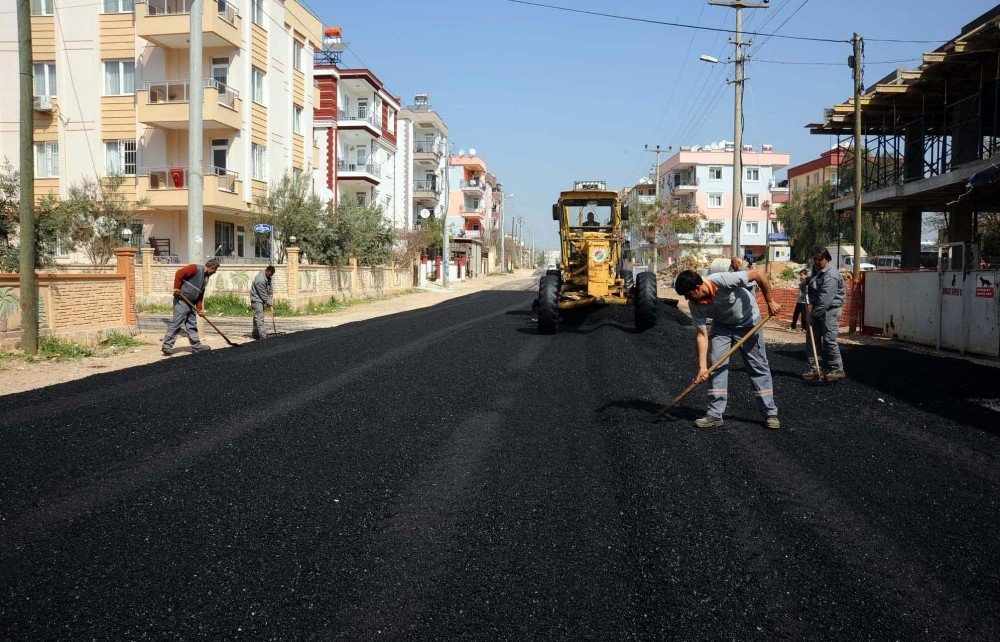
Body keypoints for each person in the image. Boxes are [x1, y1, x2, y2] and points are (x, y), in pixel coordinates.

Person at [674, 266, 782, 430]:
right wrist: (702, 368)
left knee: (758, 366)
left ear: (697, 288)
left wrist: (771, 302)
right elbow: (702, 334)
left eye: (689, 295)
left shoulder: (722, 279)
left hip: (749, 323)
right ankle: (715, 414)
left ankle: (770, 413)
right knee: (715, 366)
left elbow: (759, 273)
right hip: (722, 327)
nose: (688, 299)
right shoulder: (695, 304)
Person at [804, 246, 846, 381]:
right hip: (818, 309)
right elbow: (813, 281)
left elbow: (825, 300)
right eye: (814, 259)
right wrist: (805, 281)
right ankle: (815, 368)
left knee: (828, 339)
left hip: (829, 311)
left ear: (826, 258)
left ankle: (838, 369)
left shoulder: (831, 275)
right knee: (812, 339)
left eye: (819, 259)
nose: (816, 262)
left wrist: (811, 316)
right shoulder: (817, 270)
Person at [161, 258, 220, 356]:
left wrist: (200, 309)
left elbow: (200, 295)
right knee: (177, 322)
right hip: (182, 301)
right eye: (215, 270)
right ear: (211, 267)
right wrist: (177, 287)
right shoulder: (195, 268)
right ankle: (167, 346)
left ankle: (197, 347)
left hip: (191, 304)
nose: (215, 272)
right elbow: (179, 273)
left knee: (191, 325)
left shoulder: (206, 278)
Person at [250, 265, 275, 340]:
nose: (270, 276)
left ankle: (255, 334)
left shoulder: (267, 276)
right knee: (260, 317)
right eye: (269, 274)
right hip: (256, 299)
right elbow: (263, 294)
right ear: (266, 270)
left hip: (261, 299)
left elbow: (270, 284)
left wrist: (270, 292)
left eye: (271, 275)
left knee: (257, 316)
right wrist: (270, 303)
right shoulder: (260, 280)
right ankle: (262, 336)